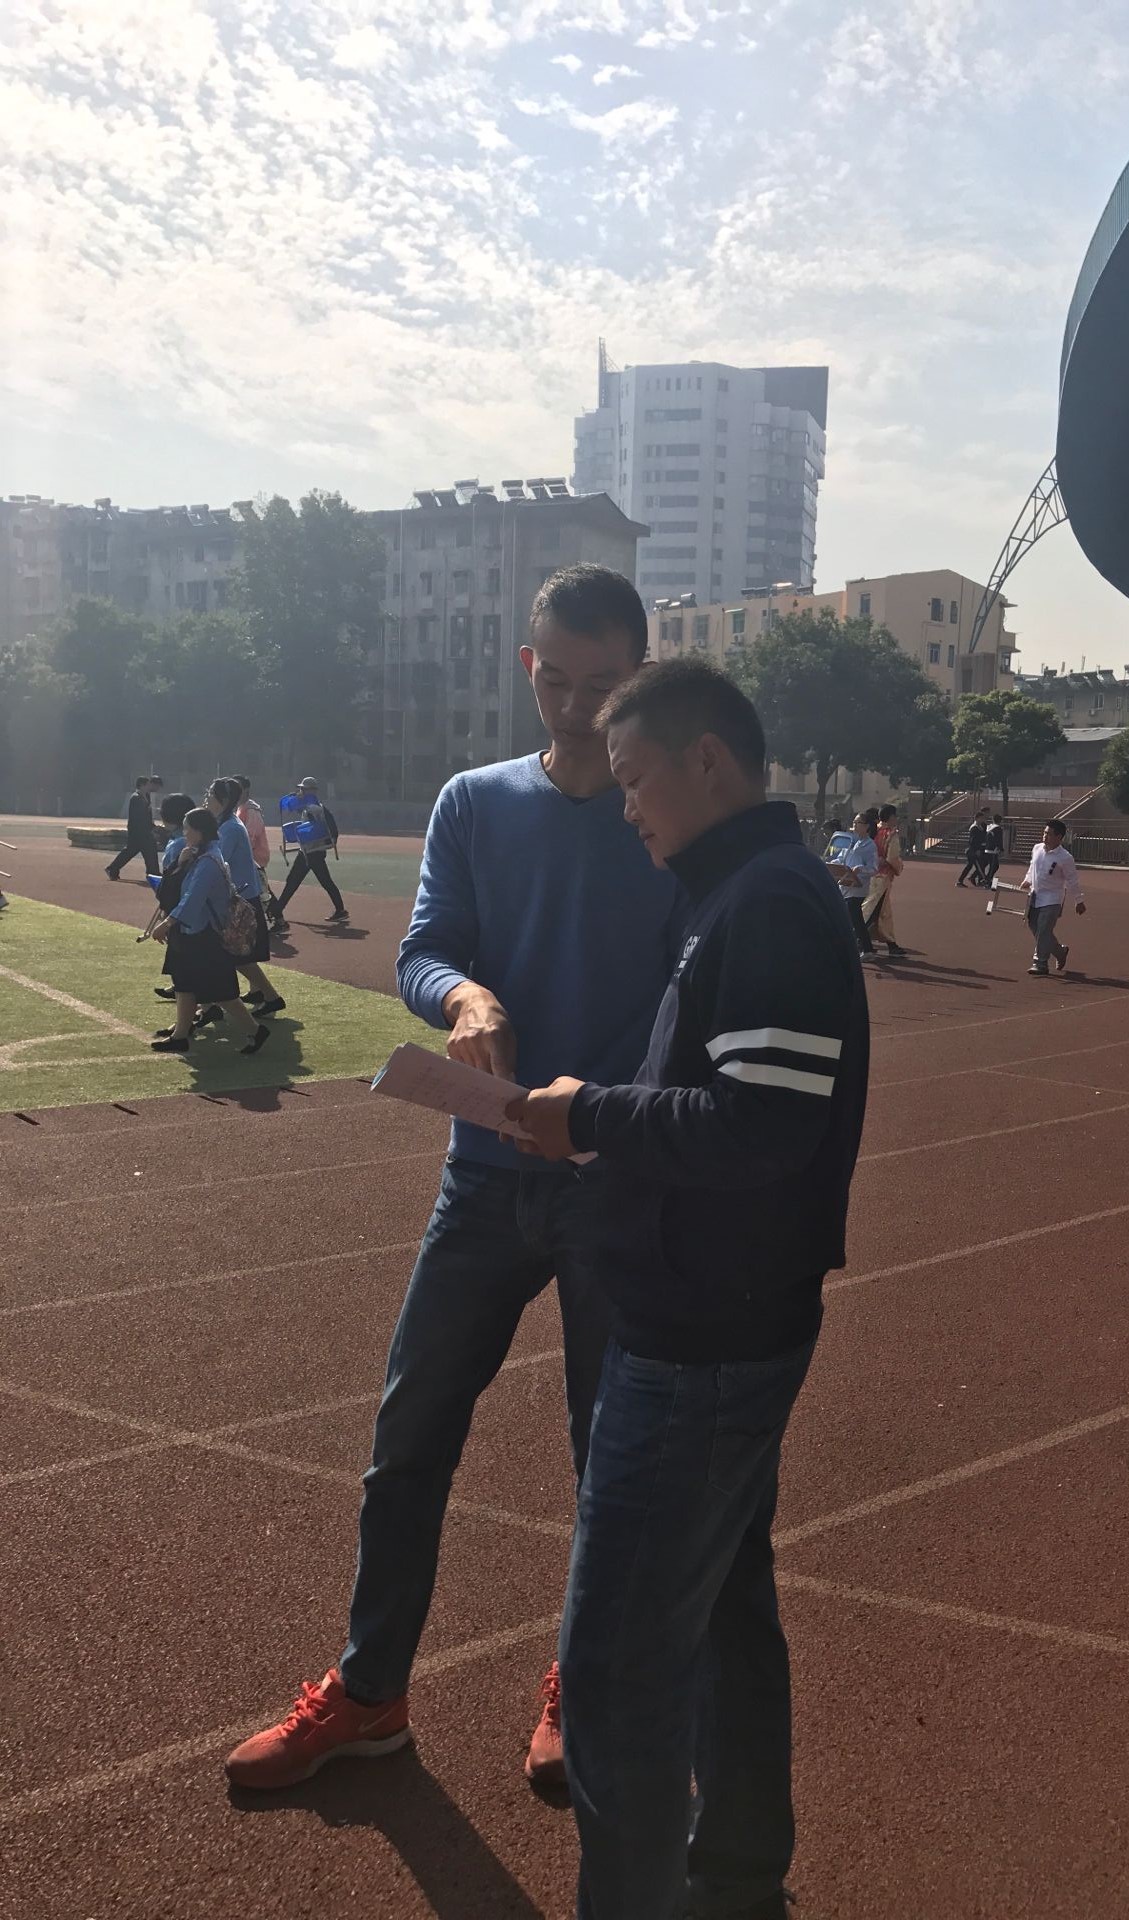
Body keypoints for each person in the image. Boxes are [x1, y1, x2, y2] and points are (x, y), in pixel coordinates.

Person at [224, 564, 685, 1796]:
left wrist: (622, 1119)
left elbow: (701, 989)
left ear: (637, 676)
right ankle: (370, 1691)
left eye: (602, 685)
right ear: (527, 666)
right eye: (556, 680)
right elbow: (424, 949)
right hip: (482, 1178)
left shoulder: (665, 819)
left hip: (613, 1185)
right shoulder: (475, 802)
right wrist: (464, 996)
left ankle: (583, 1687)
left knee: (609, 1458)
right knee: (409, 1436)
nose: (575, 709)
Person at [506, 658, 869, 1920]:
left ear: (707, 761)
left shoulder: (764, 902)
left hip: (699, 1340)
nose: (626, 809)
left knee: (615, 1672)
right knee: (722, 1620)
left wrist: (588, 1117)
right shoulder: (743, 890)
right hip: (715, 1317)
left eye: (636, 779)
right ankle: (736, 1884)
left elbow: (758, 1123)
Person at [149, 810, 270, 1056]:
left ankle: (255, 1030)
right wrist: (180, 863)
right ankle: (180, 1035)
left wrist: (167, 923)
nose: (184, 833)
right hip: (194, 931)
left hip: (205, 935)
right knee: (185, 984)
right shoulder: (201, 855)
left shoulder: (208, 861)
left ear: (199, 831)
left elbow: (193, 898)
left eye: (187, 828)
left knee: (220, 992)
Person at [205, 779, 285, 1020]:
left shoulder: (230, 827)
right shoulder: (226, 823)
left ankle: (214, 1004)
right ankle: (265, 997)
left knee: (235, 956)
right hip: (237, 896)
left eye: (210, 795)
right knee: (237, 957)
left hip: (239, 900)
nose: (206, 799)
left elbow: (218, 862)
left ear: (223, 800)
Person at [269, 777, 347, 930]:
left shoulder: (313, 808)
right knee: (322, 881)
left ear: (312, 791)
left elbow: (311, 824)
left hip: (311, 852)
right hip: (311, 851)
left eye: (304, 789)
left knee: (293, 881)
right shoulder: (313, 807)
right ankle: (340, 909)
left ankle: (277, 911)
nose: (301, 791)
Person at [1022, 818, 1086, 977]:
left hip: (1052, 899)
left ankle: (1040, 963)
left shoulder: (1065, 857)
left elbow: (1072, 880)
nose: (1045, 836)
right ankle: (1060, 952)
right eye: (1044, 833)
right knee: (1035, 928)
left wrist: (1079, 900)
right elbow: (1032, 867)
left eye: (1049, 834)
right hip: (1035, 895)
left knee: (1044, 930)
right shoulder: (1037, 848)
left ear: (1059, 837)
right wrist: (1027, 880)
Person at [152, 793, 196, 1003]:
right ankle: (181, 987)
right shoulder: (181, 840)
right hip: (182, 904)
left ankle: (193, 995)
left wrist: (166, 910)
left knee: (182, 953)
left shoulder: (178, 843)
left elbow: (172, 878)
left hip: (179, 905)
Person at [828, 810, 879, 955]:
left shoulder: (870, 845)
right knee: (852, 919)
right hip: (845, 884)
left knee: (855, 919)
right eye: (854, 822)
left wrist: (860, 869)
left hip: (858, 887)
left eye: (858, 822)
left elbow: (874, 868)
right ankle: (863, 947)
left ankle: (866, 949)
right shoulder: (850, 841)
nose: (855, 825)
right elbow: (842, 859)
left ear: (867, 826)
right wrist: (831, 863)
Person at [863, 803, 907, 958]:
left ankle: (891, 944)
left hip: (871, 874)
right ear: (891, 817)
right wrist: (899, 867)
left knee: (882, 910)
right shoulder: (891, 834)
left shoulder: (873, 830)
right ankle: (859, 939)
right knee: (871, 910)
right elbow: (892, 857)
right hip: (883, 876)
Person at [236, 777, 280, 927]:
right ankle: (277, 919)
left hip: (255, 856)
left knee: (262, 889)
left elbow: (251, 835)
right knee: (262, 888)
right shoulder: (241, 808)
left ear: (246, 790)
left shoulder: (251, 810)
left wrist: (243, 851)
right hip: (249, 856)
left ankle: (277, 919)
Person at [105, 775, 162, 881]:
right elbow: (138, 817)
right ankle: (153, 872)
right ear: (142, 785)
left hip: (144, 830)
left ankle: (113, 868)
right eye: (147, 784)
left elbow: (147, 815)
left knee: (134, 851)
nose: (149, 786)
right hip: (137, 831)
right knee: (146, 849)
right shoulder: (136, 798)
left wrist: (152, 826)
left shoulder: (146, 796)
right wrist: (149, 829)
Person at [958, 805, 991, 887]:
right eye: (981, 818)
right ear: (977, 818)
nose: (982, 820)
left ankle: (960, 881)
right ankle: (983, 881)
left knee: (970, 866)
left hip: (975, 850)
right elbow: (972, 841)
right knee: (979, 866)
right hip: (973, 851)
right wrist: (977, 850)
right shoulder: (974, 828)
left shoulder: (979, 827)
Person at [983, 815, 1004, 888]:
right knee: (993, 867)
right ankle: (987, 881)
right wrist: (1001, 849)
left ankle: (986, 879)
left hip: (987, 848)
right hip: (993, 850)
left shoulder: (989, 827)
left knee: (993, 866)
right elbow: (999, 839)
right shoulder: (998, 828)